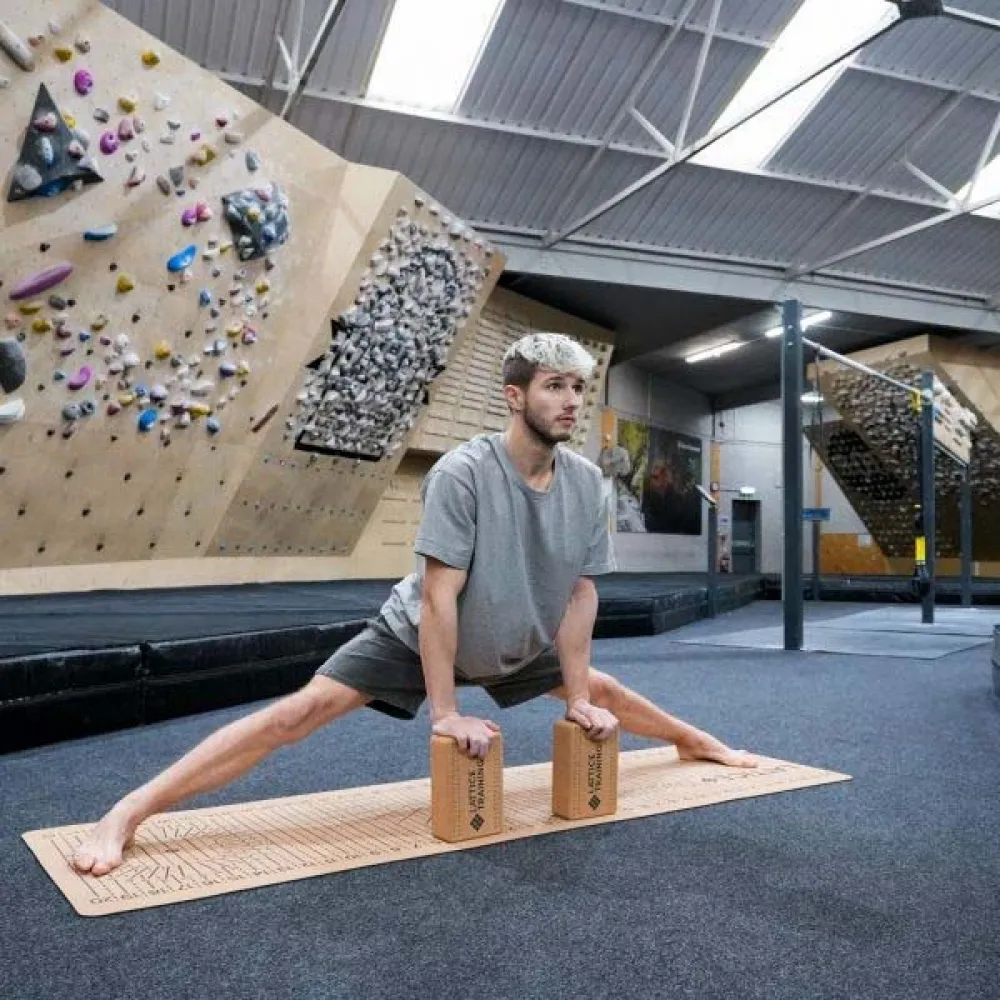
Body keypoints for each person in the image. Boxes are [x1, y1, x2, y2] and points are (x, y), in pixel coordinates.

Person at [71, 332, 756, 877]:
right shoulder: (463, 472)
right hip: (420, 632)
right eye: (555, 386)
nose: (572, 400)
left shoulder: (586, 485)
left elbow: (580, 593)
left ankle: (695, 741)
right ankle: (127, 812)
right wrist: (447, 712)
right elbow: (436, 598)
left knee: (604, 692)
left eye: (579, 387)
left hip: (516, 634)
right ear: (514, 396)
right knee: (300, 712)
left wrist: (576, 697)